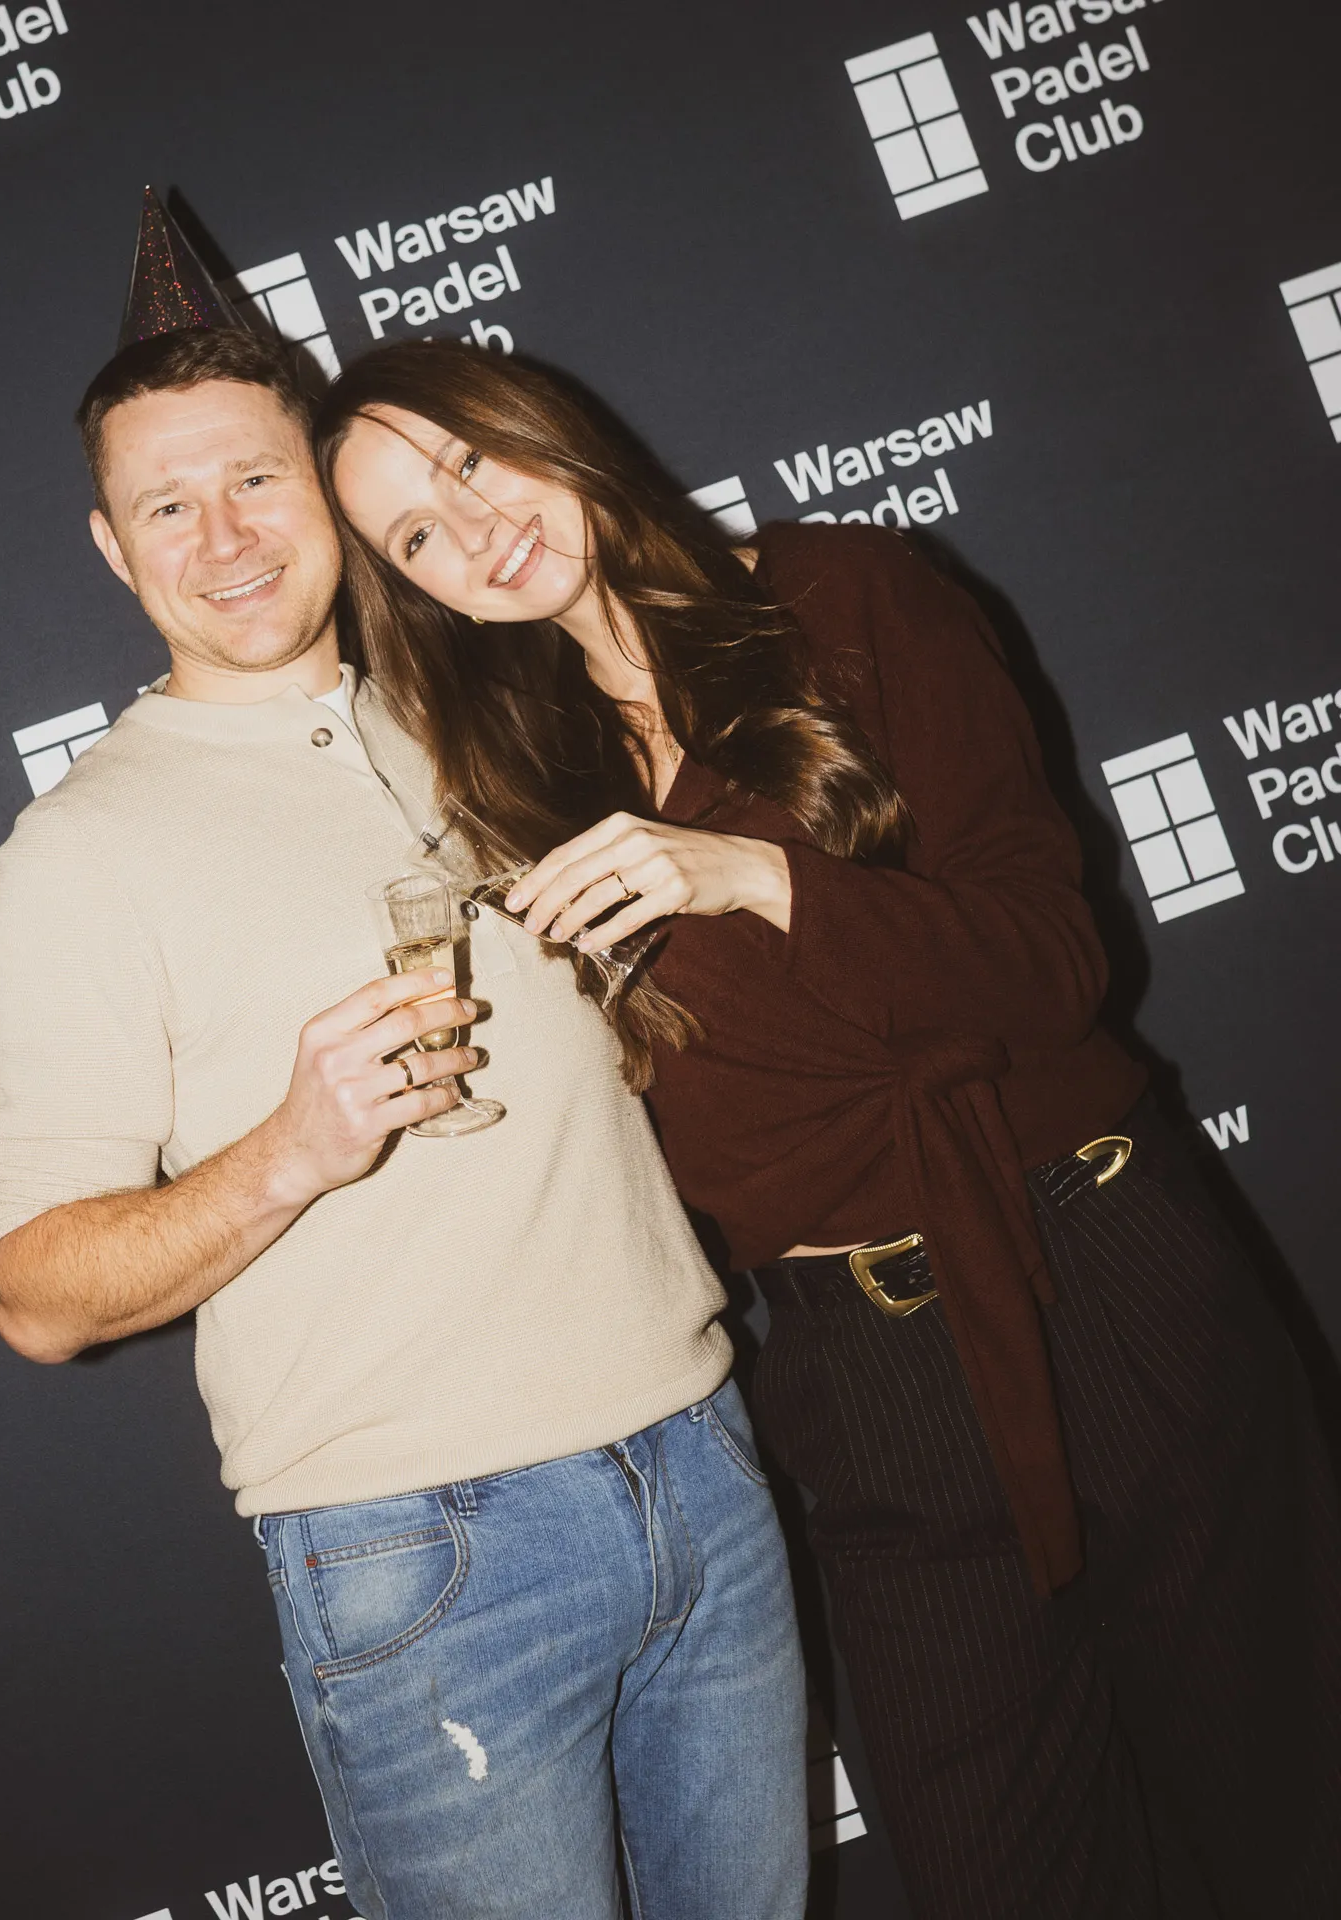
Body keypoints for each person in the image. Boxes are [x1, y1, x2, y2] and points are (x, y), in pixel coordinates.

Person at [316, 337, 1341, 1920]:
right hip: (862, 1373)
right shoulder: (521, 776)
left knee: (1272, 1821)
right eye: (418, 539)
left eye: (468, 460)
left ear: (541, 420)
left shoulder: (845, 596)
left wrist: (762, 878)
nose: (478, 526)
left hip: (1101, 1264)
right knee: (998, 1864)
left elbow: (1056, 967)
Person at [0, 205, 809, 1920]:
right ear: (112, 552)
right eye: (166, 507)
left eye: (258, 482)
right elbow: (41, 1294)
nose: (223, 540)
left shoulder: (503, 710)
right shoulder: (78, 854)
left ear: (334, 497)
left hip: (704, 1462)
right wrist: (292, 1144)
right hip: (423, 1549)